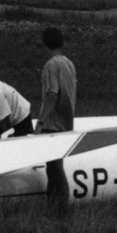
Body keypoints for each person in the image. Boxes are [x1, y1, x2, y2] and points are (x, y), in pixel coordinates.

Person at [36, 27, 76, 204]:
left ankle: (61, 206)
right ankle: (53, 206)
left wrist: (41, 121)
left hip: (52, 124)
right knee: (54, 169)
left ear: (45, 44)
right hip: (66, 122)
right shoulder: (69, 64)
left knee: (54, 170)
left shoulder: (51, 65)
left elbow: (52, 93)